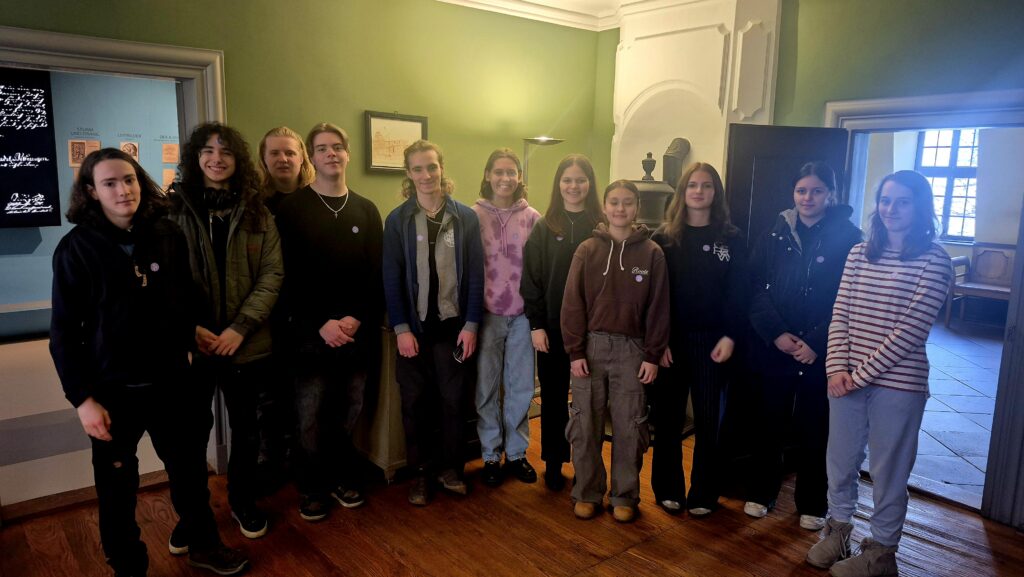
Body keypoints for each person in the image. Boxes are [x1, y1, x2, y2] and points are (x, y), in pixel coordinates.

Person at [49, 148, 248, 576]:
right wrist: (82, 400)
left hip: (172, 382)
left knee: (190, 474)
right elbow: (63, 334)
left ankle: (204, 546)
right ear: (91, 191)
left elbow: (183, 296)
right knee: (117, 486)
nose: (123, 190)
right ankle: (129, 566)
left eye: (129, 180)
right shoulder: (75, 249)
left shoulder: (166, 234)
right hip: (112, 391)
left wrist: (192, 330)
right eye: (109, 183)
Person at [806, 170, 952, 577]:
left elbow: (911, 329)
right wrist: (836, 367)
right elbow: (841, 313)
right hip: (845, 379)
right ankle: (838, 531)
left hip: (898, 385)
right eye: (886, 200)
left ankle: (881, 554)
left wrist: (859, 375)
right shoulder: (859, 253)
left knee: (889, 472)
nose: (891, 209)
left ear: (920, 207)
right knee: (840, 463)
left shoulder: (935, 260)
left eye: (902, 202)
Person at [168, 122, 283, 540]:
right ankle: (192, 516)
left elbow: (271, 275)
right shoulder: (172, 210)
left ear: (238, 161)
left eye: (226, 152)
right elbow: (164, 281)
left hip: (246, 345)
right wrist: (190, 329)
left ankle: (242, 501)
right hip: (194, 346)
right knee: (189, 438)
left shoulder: (258, 212)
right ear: (195, 157)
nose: (217, 159)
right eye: (208, 151)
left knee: (247, 432)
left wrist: (240, 328)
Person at [745, 162, 863, 530]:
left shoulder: (850, 238)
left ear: (831, 194)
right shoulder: (773, 233)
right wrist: (776, 333)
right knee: (769, 423)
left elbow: (850, 298)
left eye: (816, 190)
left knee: (817, 428)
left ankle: (813, 502)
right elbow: (754, 287)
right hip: (776, 346)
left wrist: (816, 342)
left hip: (822, 351)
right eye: (801, 190)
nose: (807, 197)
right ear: (792, 194)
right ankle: (761, 492)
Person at [275, 122, 383, 520]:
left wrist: (356, 318)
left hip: (356, 333)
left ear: (347, 154)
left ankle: (340, 477)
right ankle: (311, 487)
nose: (331, 154)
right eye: (321, 148)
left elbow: (377, 274)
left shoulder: (366, 210)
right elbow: (284, 276)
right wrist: (321, 323)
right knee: (309, 416)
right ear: (311, 157)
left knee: (348, 411)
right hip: (309, 336)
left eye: (337, 147)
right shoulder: (292, 209)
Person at [382, 139, 484, 505]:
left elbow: (476, 275)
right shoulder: (398, 220)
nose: (426, 175)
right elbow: (391, 277)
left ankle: (450, 469)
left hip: (453, 330)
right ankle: (421, 474)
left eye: (432, 167)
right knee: (415, 404)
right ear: (408, 174)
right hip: (414, 331)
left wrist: (471, 324)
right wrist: (401, 329)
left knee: (454, 402)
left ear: (441, 168)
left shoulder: (465, 217)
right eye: (418, 169)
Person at [562, 179, 670, 523]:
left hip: (633, 350)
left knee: (629, 425)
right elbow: (572, 303)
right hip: (590, 347)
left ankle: (625, 494)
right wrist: (575, 351)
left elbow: (659, 308)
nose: (620, 209)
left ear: (636, 207)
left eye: (627, 202)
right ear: (605, 207)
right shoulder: (587, 250)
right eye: (614, 202)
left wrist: (652, 355)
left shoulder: (652, 253)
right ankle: (587, 491)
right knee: (585, 423)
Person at [650, 162, 747, 517]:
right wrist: (657, 341)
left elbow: (740, 292)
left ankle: (705, 492)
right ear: (683, 191)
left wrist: (731, 336)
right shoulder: (663, 239)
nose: (699, 191)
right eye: (692, 185)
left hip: (714, 342)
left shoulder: (731, 238)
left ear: (715, 193)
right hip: (670, 342)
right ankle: (668, 488)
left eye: (706, 186)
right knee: (668, 418)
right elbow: (654, 296)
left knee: (709, 421)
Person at [520, 154, 603, 490]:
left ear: (590, 184)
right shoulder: (545, 226)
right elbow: (532, 279)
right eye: (567, 180)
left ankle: (586, 464)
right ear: (558, 184)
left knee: (588, 401)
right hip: (552, 329)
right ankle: (554, 462)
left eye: (580, 179)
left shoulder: (602, 226)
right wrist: (536, 325)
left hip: (594, 331)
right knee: (553, 399)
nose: (573, 186)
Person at [471, 148, 541, 487]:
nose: (505, 178)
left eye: (511, 172)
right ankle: (489, 454)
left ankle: (515, 453)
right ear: (488, 175)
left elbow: (539, 269)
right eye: (498, 171)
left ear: (519, 177)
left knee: (520, 387)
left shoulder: (533, 218)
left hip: (522, 316)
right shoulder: (473, 216)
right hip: (486, 316)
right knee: (485, 388)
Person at [258, 125, 315, 213]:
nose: (283, 159)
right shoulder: (253, 201)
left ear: (301, 158)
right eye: (274, 153)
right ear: (264, 158)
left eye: (290, 153)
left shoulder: (319, 197)